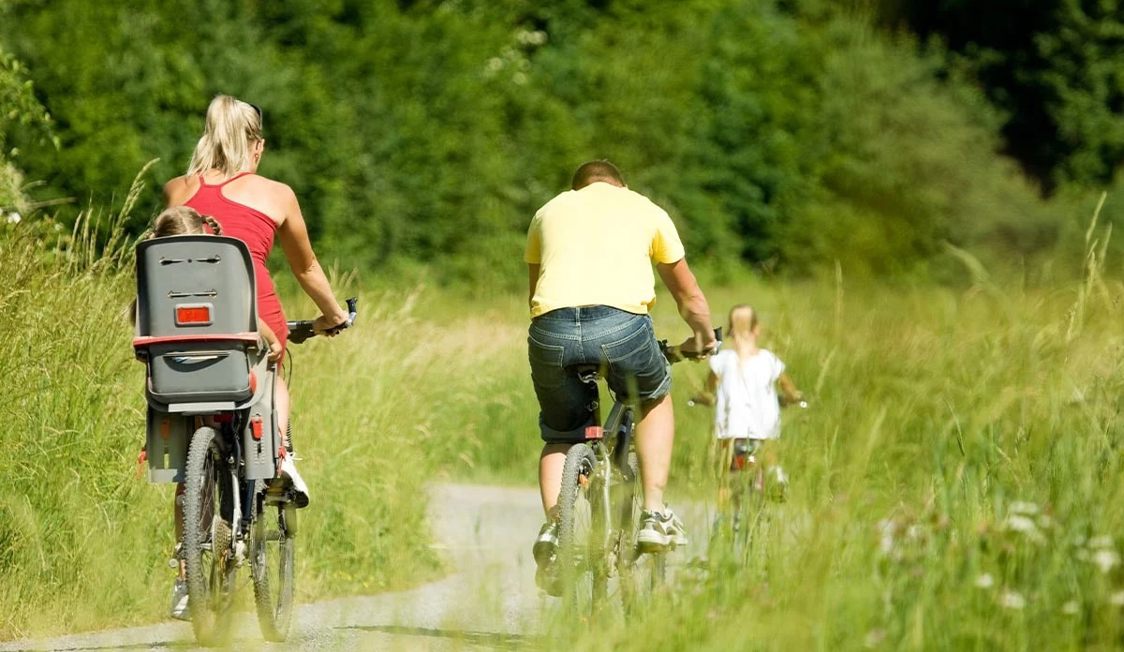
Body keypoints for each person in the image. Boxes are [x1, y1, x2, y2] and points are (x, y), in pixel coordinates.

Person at [525, 160, 716, 590]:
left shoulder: (549, 210)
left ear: (577, 188)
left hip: (550, 328)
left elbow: (535, 293)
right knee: (653, 396)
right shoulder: (645, 208)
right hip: (622, 326)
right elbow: (689, 296)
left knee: (562, 433)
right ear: (620, 185)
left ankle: (556, 531)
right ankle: (653, 514)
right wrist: (703, 338)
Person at [136, 206, 283, 621]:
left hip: (171, 386)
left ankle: (185, 579)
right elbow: (250, 321)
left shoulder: (152, 278)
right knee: (262, 385)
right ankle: (270, 472)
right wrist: (272, 340)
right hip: (228, 381)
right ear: (205, 237)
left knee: (187, 479)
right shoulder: (219, 269)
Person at [694, 304, 802, 500]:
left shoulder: (723, 360)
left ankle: (722, 516)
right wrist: (794, 396)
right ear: (757, 330)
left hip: (730, 430)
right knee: (769, 452)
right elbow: (787, 386)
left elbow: (709, 388)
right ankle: (775, 476)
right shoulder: (769, 360)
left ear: (729, 331)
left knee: (725, 473)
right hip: (763, 429)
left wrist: (704, 396)